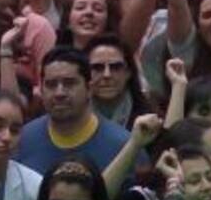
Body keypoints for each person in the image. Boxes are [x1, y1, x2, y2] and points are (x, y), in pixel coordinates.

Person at [15, 46, 136, 174]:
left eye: (69, 83)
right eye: (51, 84)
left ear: (89, 89)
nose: (59, 93)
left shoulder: (124, 146)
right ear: (41, 90)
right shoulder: (22, 141)